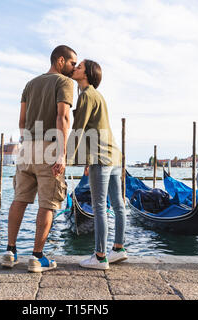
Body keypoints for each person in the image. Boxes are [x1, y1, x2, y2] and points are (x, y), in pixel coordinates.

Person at [2, 45, 76, 272]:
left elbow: (22, 120)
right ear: (60, 60)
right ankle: (37, 257)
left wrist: (26, 144)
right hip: (49, 147)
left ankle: (10, 251)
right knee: (48, 203)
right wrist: (62, 153)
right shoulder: (65, 83)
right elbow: (62, 117)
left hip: (26, 148)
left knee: (20, 199)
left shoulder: (30, 84)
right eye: (73, 63)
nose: (74, 68)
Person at [67, 59, 127, 270]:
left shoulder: (86, 96)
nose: (75, 68)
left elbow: (78, 130)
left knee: (100, 206)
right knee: (118, 204)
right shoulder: (97, 95)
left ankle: (100, 257)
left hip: (100, 157)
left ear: (87, 74)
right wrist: (85, 160)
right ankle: (118, 249)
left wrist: (64, 160)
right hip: (114, 156)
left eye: (80, 67)